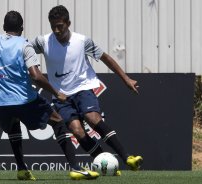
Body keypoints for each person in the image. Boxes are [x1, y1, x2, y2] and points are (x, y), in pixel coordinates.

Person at [0, 10, 99, 180]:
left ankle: (22, 169)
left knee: (13, 126)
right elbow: (36, 76)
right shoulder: (24, 44)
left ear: (3, 27)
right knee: (57, 121)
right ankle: (75, 167)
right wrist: (57, 93)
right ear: (22, 28)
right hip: (24, 100)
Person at [31, 5, 143, 173]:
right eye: (53, 26)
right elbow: (22, 52)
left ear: (68, 23)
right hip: (60, 96)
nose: (56, 30)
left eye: (60, 26)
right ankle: (107, 164)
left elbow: (105, 58)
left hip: (83, 88)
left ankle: (127, 157)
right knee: (77, 131)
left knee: (92, 118)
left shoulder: (82, 41)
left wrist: (126, 79)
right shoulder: (43, 41)